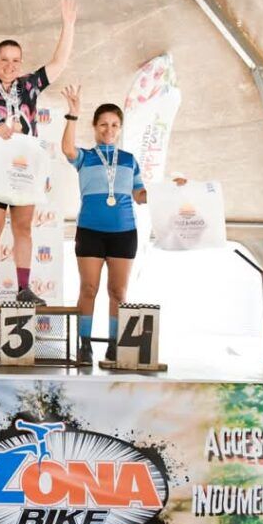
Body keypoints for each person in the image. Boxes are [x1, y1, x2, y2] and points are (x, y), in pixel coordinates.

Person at [0, 0, 77, 306]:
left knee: (23, 227)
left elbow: (59, 63)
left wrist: (68, 25)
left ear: (21, 64)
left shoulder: (29, 86)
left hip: (25, 168)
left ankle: (24, 288)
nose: (10, 66)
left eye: (15, 61)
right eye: (4, 60)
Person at [60, 84, 183, 363]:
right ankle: (84, 345)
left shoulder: (129, 161)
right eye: (103, 124)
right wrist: (73, 114)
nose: (109, 129)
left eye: (114, 125)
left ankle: (114, 346)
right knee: (88, 289)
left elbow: (140, 196)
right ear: (95, 127)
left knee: (118, 292)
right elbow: (67, 149)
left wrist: (169, 189)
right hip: (90, 232)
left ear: (120, 128)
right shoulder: (86, 157)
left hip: (124, 233)